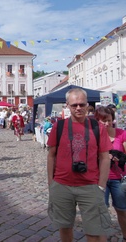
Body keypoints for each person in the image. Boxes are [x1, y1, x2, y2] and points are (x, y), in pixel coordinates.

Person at [47, 88, 112, 242]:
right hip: (62, 185)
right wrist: (51, 183)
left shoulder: (97, 127)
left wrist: (101, 185)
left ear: (88, 105)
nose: (78, 108)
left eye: (82, 104)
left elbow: (105, 157)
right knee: (65, 227)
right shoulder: (59, 126)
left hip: (90, 186)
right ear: (67, 105)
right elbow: (51, 156)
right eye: (74, 105)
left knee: (94, 231)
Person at [94, 106, 126, 239]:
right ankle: (101, 238)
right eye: (103, 120)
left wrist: (119, 157)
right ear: (97, 121)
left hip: (118, 178)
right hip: (100, 178)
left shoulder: (121, 133)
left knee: (122, 210)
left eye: (108, 120)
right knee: (101, 211)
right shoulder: (94, 135)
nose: (106, 123)